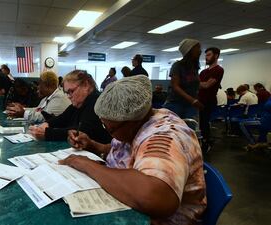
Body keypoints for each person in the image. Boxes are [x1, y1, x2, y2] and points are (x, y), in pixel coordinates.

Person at [61, 76, 206, 224]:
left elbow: (157, 199)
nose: (106, 130)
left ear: (131, 123)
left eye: (108, 128)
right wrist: (92, 145)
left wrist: (86, 165)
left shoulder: (164, 136)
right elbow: (126, 151)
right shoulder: (144, 119)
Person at [29, 70, 112, 144]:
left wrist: (47, 133)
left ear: (85, 85)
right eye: (67, 93)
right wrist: (46, 124)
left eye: (71, 91)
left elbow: (83, 130)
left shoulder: (96, 101)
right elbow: (63, 118)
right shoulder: (80, 103)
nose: (68, 96)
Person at [6, 71, 71, 123]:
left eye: (40, 84)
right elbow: (37, 109)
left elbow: (44, 117)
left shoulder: (59, 97)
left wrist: (23, 113)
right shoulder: (47, 98)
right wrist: (22, 109)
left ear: (47, 85)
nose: (38, 87)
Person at [163, 39, 203, 119]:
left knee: (190, 129)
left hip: (190, 105)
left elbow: (195, 84)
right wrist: (193, 100)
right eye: (197, 48)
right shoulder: (177, 65)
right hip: (176, 103)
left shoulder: (194, 67)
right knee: (175, 129)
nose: (200, 51)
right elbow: (175, 86)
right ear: (189, 50)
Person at [198, 47, 224, 150]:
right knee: (199, 123)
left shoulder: (218, 70)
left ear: (216, 55)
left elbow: (206, 85)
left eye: (209, 55)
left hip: (208, 101)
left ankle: (206, 143)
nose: (206, 57)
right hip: (199, 100)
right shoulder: (203, 72)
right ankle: (200, 141)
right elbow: (200, 85)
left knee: (204, 123)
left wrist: (196, 83)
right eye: (206, 55)